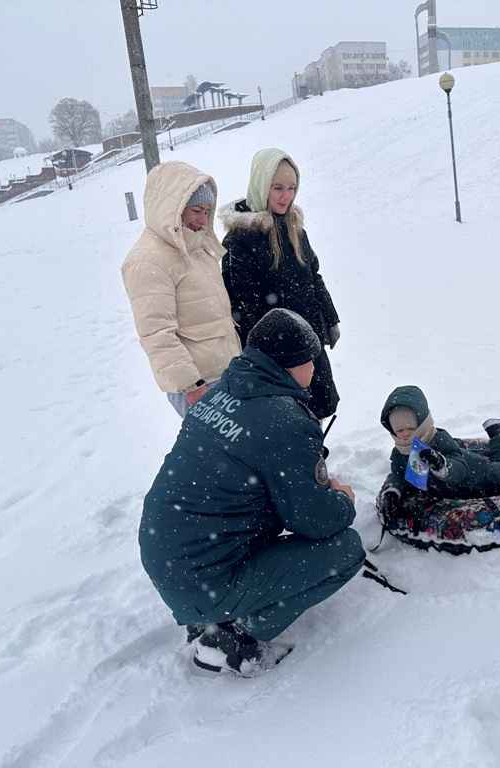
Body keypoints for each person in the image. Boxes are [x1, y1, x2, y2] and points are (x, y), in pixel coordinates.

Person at [138, 308, 364, 676]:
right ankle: (232, 635)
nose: (315, 368)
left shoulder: (221, 392)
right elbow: (314, 521)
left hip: (167, 557)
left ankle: (214, 610)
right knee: (346, 550)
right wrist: (342, 501)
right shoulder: (284, 421)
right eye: (311, 360)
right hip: (203, 576)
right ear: (289, 364)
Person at [219, 149, 341, 420]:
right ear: (262, 185)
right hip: (277, 355)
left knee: (315, 409)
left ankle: (314, 457)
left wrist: (329, 319)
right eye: (278, 188)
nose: (286, 196)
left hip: (308, 340)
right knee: (286, 418)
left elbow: (313, 277)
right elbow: (243, 307)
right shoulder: (240, 240)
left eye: (291, 188)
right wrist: (273, 355)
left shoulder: (295, 229)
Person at [121, 161, 240, 417]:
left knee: (241, 452)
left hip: (228, 371)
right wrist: (192, 385)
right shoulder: (147, 260)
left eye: (207, 211)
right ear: (172, 209)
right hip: (200, 384)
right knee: (218, 454)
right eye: (197, 210)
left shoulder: (197, 247)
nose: (203, 220)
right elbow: (157, 334)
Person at [378, 385, 500, 513]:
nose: (405, 434)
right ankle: (499, 434)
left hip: (478, 477)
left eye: (410, 428)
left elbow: (459, 467)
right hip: (456, 487)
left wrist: (442, 466)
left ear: (421, 423)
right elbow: (399, 474)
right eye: (399, 430)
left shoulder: (438, 439)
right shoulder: (400, 451)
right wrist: (393, 491)